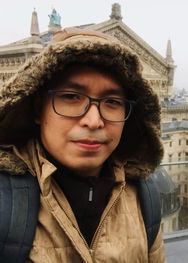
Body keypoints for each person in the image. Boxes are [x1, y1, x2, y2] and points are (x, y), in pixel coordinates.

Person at [0, 27, 165, 262]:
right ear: (37, 107)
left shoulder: (145, 197)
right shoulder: (5, 201)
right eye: (71, 97)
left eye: (111, 101)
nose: (94, 121)